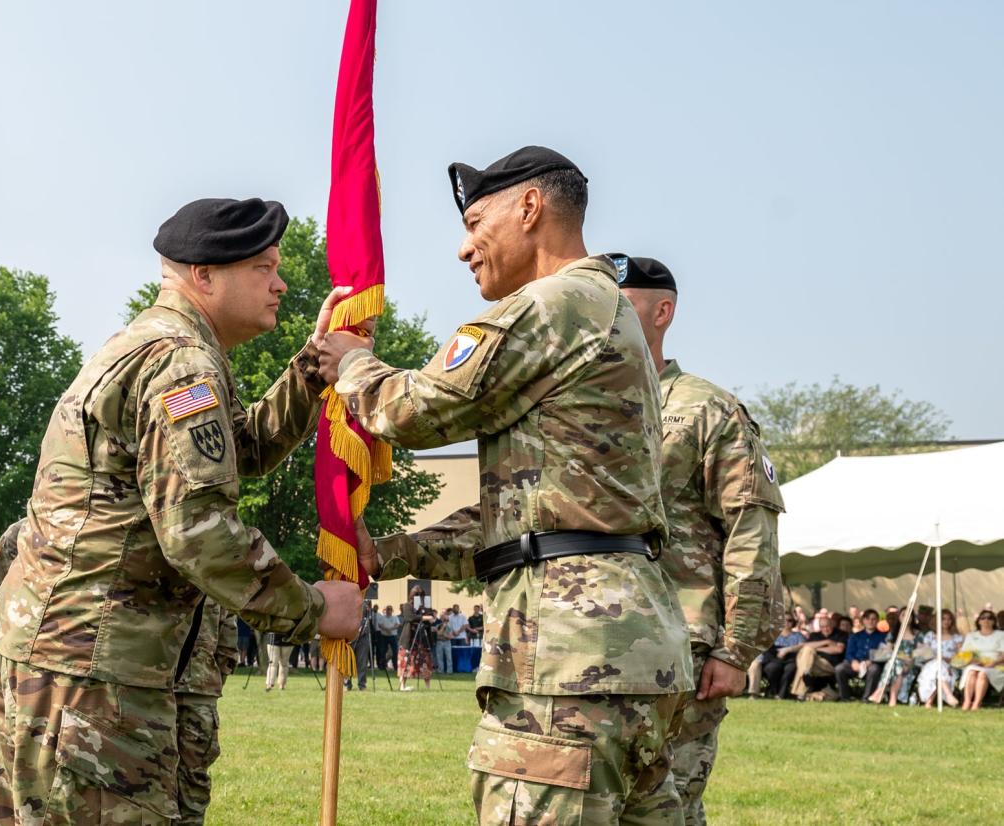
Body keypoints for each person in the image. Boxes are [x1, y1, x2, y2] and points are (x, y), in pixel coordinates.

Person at [333, 146, 694, 822]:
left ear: (529, 208)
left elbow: (418, 410)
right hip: (629, 649)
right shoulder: (604, 310)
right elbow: (538, 510)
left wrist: (353, 366)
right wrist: (397, 552)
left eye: (476, 223)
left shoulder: (556, 302)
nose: (465, 249)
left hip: (566, 656)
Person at [0, 198, 364, 823]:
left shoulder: (156, 344)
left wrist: (311, 370)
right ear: (204, 276)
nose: (282, 282)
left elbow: (238, 452)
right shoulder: (180, 363)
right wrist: (315, 609)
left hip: (59, 658)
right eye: (264, 267)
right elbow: (198, 532)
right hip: (93, 673)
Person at [620, 255, 785, 825]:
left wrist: (735, 648)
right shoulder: (581, 406)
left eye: (623, 305)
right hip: (602, 642)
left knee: (671, 801)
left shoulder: (705, 408)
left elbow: (751, 533)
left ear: (662, 312)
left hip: (684, 647)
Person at [172, 599, 238, 826]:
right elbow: (228, 647)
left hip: (156, 688)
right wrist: (209, 680)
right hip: (199, 691)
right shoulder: (215, 579)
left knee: (149, 779)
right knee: (193, 781)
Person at [781, 613, 848, 699]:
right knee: (806, 651)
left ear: (832, 624)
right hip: (813, 664)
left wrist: (815, 649)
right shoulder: (814, 635)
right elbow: (804, 646)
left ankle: (800, 689)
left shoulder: (840, 634)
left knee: (807, 652)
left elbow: (838, 649)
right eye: (822, 627)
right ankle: (806, 683)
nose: (825, 629)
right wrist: (826, 642)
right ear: (819, 627)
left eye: (827, 626)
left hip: (830, 665)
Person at [835, 608, 887, 702]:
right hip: (856, 662)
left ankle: (866, 698)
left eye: (873, 619)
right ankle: (845, 697)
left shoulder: (883, 636)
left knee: (874, 669)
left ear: (877, 621)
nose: (870, 621)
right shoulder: (855, 636)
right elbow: (849, 653)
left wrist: (870, 661)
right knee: (839, 669)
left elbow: (883, 653)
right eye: (868, 619)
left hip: (872, 663)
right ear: (863, 620)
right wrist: (853, 662)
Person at [956, 610, 1004, 711]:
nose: (986, 620)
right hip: (975, 663)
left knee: (982, 674)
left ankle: (977, 703)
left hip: (995, 665)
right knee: (972, 672)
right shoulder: (971, 636)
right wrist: (974, 660)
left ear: (994, 621)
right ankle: (967, 701)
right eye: (983, 618)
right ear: (979, 621)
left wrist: (993, 662)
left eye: (989, 618)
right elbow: (964, 654)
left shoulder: (1000, 635)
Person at [916, 609, 962, 708]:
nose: (946, 621)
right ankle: (949, 695)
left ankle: (929, 702)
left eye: (949, 619)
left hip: (950, 666)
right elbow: (924, 653)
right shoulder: (930, 635)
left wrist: (946, 659)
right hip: (931, 665)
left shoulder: (956, 637)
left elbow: (961, 655)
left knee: (939, 668)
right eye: (943, 619)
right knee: (937, 665)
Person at [870, 613, 918, 706]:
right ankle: (893, 699)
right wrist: (900, 657)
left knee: (894, 664)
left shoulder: (918, 634)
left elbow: (921, 652)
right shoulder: (893, 634)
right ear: (899, 618)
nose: (906, 617)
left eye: (908, 615)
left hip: (912, 663)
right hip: (897, 663)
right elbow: (888, 651)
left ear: (912, 618)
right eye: (903, 615)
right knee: (896, 665)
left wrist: (909, 660)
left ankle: (880, 690)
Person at [752, 616, 805, 698]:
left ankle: (782, 694)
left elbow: (803, 646)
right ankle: (773, 690)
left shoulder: (798, 635)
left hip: (791, 659)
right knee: (772, 668)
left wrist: (788, 649)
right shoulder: (771, 634)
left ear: (793, 622)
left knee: (790, 669)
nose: (786, 622)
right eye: (784, 620)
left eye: (789, 620)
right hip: (773, 658)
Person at [398, 585, 435, 691]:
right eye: (417, 595)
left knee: (425, 661)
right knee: (406, 661)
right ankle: (402, 686)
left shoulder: (425, 607)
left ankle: (428, 687)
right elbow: (409, 617)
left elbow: (431, 617)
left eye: (421, 596)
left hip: (422, 638)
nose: (419, 598)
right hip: (409, 638)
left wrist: (427, 613)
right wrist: (424, 617)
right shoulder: (407, 606)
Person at [376, 604, 401, 669]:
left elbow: (398, 625)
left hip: (393, 636)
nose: (388, 611)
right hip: (384, 636)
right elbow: (380, 625)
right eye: (387, 609)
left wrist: (391, 629)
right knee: (383, 651)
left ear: (392, 611)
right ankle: (382, 666)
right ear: (386, 610)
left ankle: (395, 666)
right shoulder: (382, 617)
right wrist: (386, 629)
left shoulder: (395, 617)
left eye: (390, 610)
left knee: (395, 651)